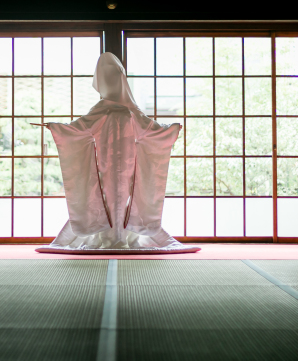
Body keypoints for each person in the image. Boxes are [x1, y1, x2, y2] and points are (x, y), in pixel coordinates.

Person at [35, 52, 199, 254]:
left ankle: (123, 235)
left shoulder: (131, 109)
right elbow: (79, 128)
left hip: (129, 163)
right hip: (105, 163)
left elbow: (149, 130)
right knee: (104, 197)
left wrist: (169, 129)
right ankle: (106, 235)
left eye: (112, 76)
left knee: (127, 197)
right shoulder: (102, 107)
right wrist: (56, 127)